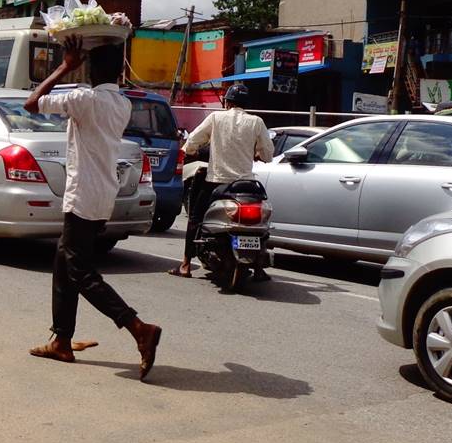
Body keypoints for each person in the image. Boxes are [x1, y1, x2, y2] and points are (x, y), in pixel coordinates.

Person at [24, 39, 163, 379]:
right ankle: (62, 340)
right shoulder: (122, 103)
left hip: (83, 194)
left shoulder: (84, 99)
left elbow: (31, 103)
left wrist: (63, 66)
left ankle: (137, 327)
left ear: (90, 70)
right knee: (63, 261)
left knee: (80, 271)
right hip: (103, 195)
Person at [171, 83, 274, 279]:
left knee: (195, 219)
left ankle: (185, 265)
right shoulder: (256, 122)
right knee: (261, 221)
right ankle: (259, 268)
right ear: (246, 104)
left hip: (217, 182)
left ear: (226, 102)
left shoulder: (216, 118)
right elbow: (268, 154)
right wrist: (258, 154)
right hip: (246, 185)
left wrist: (190, 151)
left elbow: (192, 141)